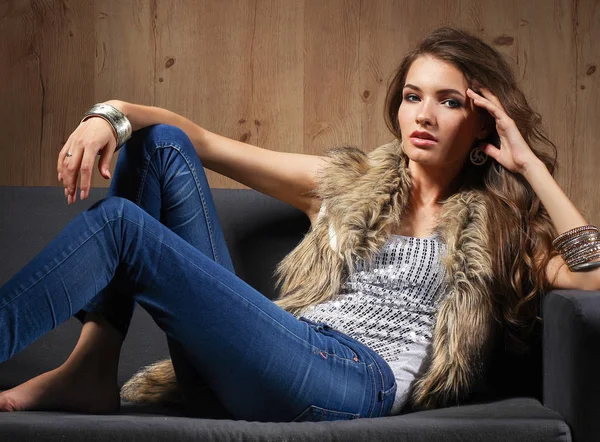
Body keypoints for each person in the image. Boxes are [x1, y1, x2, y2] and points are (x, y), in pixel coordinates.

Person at [0, 26, 598, 422]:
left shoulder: (502, 230)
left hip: (357, 381)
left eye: (450, 101)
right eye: (413, 96)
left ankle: (85, 369)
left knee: (120, 227)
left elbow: (592, 280)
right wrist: (110, 114)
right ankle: (93, 364)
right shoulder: (348, 182)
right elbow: (203, 142)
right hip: (280, 354)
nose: (424, 114)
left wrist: (526, 166)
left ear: (483, 122)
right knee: (156, 145)